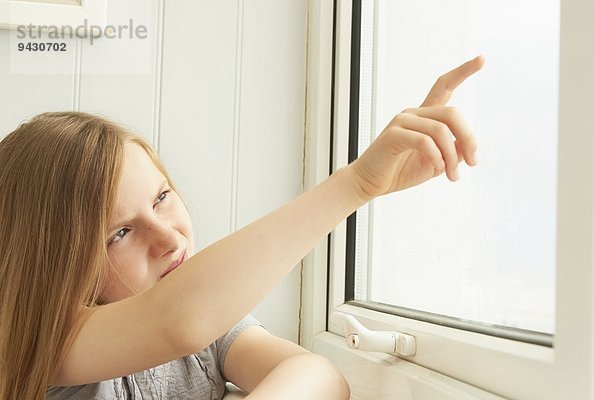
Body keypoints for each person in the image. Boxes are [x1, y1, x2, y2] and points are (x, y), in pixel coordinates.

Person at [0, 55, 484, 400]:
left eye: (163, 198)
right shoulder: (39, 341)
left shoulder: (215, 330)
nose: (170, 239)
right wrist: (355, 184)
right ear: (53, 264)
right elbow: (179, 321)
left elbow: (316, 374)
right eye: (120, 233)